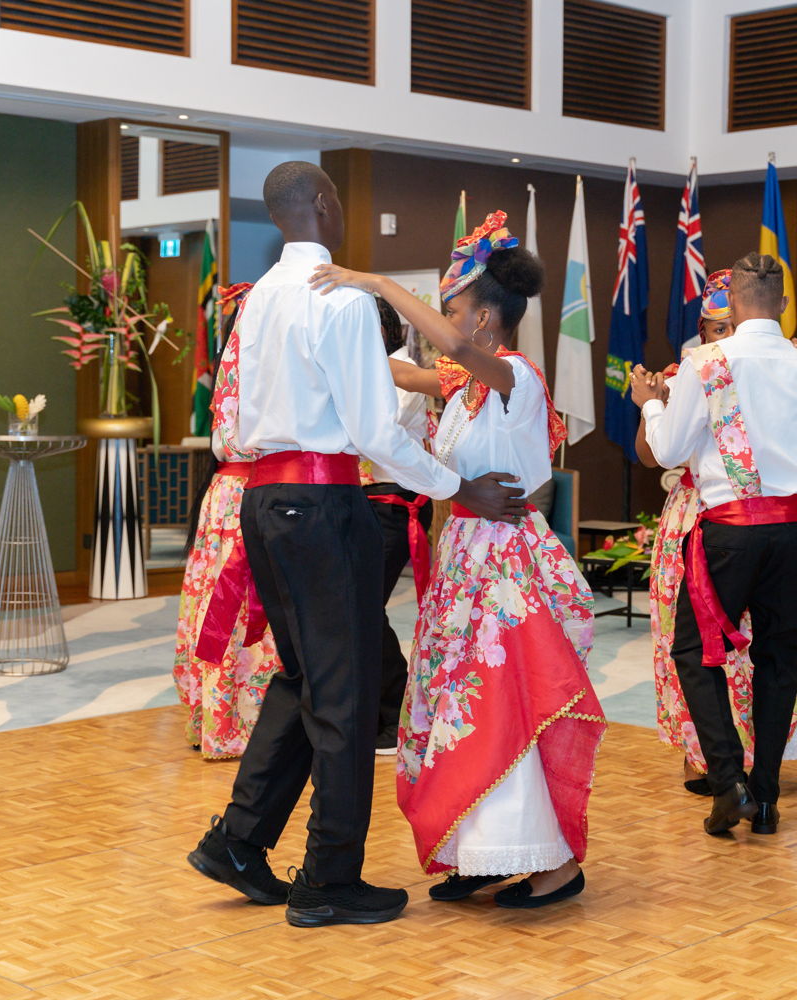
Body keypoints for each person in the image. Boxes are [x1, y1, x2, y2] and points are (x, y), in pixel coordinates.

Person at [184, 162, 525, 929]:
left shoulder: (259, 298)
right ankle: (328, 877)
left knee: (302, 678)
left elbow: (241, 415)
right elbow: (373, 431)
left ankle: (239, 841)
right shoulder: (334, 298)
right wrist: (455, 488)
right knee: (343, 693)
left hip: (264, 501)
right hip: (321, 502)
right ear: (326, 206)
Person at [312, 210, 606, 910]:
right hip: (468, 559)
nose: (445, 323)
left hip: (507, 566)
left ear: (481, 322)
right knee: (458, 706)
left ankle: (553, 863)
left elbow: (436, 348)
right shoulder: (464, 387)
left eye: (453, 310)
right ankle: (482, 853)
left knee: (506, 703)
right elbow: (400, 373)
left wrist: (375, 280)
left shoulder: (514, 376)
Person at [632, 252, 797, 838]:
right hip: (795, 529)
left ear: (735, 304)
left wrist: (648, 401)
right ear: (783, 305)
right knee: (778, 659)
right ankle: (765, 797)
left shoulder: (708, 362)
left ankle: (727, 785)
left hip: (731, 529)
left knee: (694, 652)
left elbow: (666, 452)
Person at [171, 284, 285, 760]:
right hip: (250, 492)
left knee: (223, 604)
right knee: (239, 606)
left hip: (227, 493)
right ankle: (242, 722)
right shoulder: (270, 372)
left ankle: (218, 719)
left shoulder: (234, 369)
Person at [359, 296, 434, 756]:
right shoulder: (364, 369)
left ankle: (394, 714)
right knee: (355, 606)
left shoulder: (402, 370)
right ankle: (377, 708)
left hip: (393, 503)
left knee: (364, 606)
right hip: (363, 500)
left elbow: (377, 436)